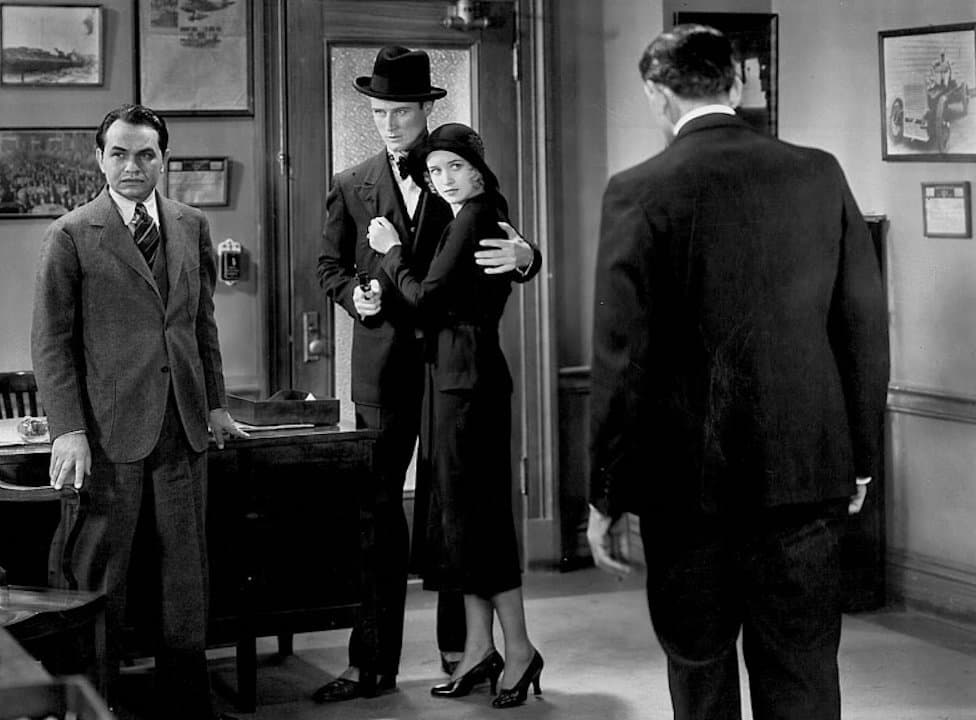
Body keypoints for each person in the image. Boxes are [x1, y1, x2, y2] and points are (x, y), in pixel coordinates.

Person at [587, 25, 888, 720]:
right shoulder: (819, 173)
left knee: (700, 675)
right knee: (804, 674)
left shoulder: (637, 189)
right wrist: (860, 462)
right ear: (738, 81)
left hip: (684, 487)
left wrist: (605, 492)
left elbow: (620, 357)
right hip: (803, 473)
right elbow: (862, 329)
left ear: (657, 93)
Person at [312, 44, 542, 704]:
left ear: (424, 110)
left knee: (452, 509)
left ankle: (461, 649)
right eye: (378, 113)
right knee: (378, 513)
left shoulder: (454, 173)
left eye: (401, 112)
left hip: (450, 372)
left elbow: (505, 239)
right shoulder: (351, 183)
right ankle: (370, 663)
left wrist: (527, 256)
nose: (389, 125)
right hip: (383, 371)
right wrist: (354, 296)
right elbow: (329, 268)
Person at [31, 103, 245, 720]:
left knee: (185, 578)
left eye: (146, 154)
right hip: (107, 432)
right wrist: (69, 430)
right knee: (102, 575)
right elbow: (51, 342)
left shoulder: (191, 224)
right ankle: (95, 704)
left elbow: (201, 325)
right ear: (99, 159)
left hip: (183, 426)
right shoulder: (72, 233)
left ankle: (187, 707)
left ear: (163, 159)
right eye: (120, 154)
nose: (133, 166)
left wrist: (215, 404)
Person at [367, 122, 544, 709]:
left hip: (467, 380)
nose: (443, 179)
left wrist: (391, 252)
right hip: (453, 376)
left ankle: (518, 650)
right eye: (435, 170)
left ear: (478, 171)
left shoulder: (475, 215)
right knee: (463, 519)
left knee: (479, 519)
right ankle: (478, 649)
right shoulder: (465, 213)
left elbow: (427, 298)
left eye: (455, 168)